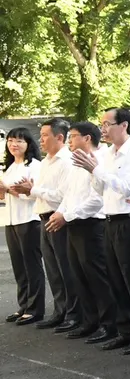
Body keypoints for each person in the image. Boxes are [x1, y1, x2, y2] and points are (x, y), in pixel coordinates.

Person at [72, 108, 130, 352]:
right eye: (102, 124)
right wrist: (93, 171)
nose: (103, 129)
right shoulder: (107, 154)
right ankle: (125, 329)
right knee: (116, 279)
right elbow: (100, 190)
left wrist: (97, 170)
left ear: (124, 125)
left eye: (107, 124)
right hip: (109, 220)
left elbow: (129, 189)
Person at [18, 119, 78, 330]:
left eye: (44, 135)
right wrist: (30, 190)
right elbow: (41, 192)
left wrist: (32, 190)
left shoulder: (67, 161)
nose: (40, 139)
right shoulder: (46, 162)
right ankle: (60, 311)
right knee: (53, 270)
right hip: (43, 218)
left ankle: (74, 314)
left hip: (59, 218)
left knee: (66, 269)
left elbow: (63, 195)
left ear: (59, 137)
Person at [56, 122, 112, 341]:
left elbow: (97, 200)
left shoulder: (100, 160)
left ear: (87, 138)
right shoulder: (75, 163)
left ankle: (108, 324)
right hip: (73, 224)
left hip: (92, 225)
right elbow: (69, 194)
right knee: (79, 275)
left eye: (73, 136)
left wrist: (67, 215)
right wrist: (61, 212)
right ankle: (90, 321)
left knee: (97, 277)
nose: (70, 141)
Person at [1, 128, 45, 325]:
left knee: (31, 265)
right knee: (19, 266)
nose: (14, 144)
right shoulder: (9, 168)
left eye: (19, 141)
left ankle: (35, 308)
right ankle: (24, 305)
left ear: (28, 144)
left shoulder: (34, 166)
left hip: (29, 220)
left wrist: (9, 190)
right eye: (10, 141)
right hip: (11, 220)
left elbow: (34, 195)